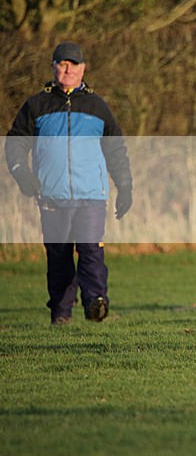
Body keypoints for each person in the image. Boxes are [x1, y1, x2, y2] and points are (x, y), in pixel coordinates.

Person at [5, 41, 133, 325]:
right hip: (51, 194)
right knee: (59, 256)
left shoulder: (98, 107)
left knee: (90, 250)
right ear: (53, 67)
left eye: (73, 65)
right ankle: (61, 313)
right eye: (62, 64)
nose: (67, 70)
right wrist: (22, 174)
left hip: (91, 195)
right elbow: (15, 145)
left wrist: (125, 187)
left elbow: (116, 150)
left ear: (83, 69)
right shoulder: (36, 105)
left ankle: (95, 302)